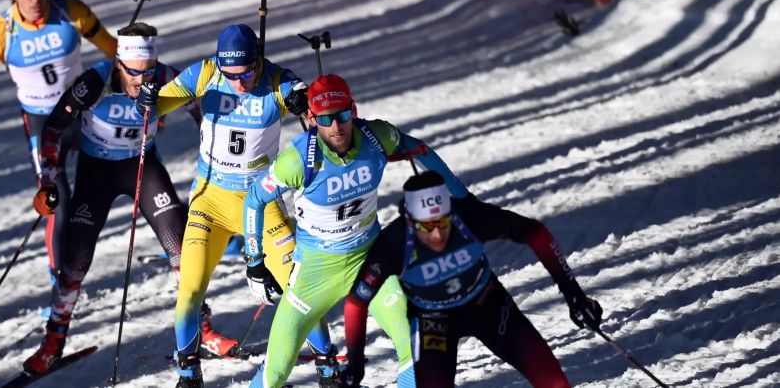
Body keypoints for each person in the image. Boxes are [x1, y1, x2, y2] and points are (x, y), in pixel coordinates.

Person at [21, 23, 236, 375]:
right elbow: (54, 127)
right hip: (97, 173)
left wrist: (218, 156)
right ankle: (53, 342)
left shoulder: (167, 77)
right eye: (135, 73)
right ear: (119, 64)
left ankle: (203, 330)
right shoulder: (94, 82)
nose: (142, 81)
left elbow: (206, 114)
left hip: (143, 166)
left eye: (148, 72)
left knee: (184, 251)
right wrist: (48, 181)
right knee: (75, 262)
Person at [241, 74, 472, 388]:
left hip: (371, 262)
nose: (336, 127)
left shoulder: (376, 137)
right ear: (311, 119)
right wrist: (255, 262)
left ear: (354, 109)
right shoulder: (297, 161)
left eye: (343, 115)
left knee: (417, 349)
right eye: (325, 119)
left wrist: (462, 197)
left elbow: (419, 149)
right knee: (277, 371)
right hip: (315, 274)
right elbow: (254, 200)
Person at [136, 23, 331, 388]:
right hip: (210, 201)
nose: (239, 82)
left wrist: (306, 104)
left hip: (261, 203)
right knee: (190, 289)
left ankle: (328, 367)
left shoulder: (277, 80)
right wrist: (146, 101)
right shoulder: (206, 73)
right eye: (232, 75)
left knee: (297, 285)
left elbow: (310, 103)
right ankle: (188, 374)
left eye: (246, 73)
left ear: (258, 60)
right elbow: (152, 108)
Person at [343, 170, 603, 388]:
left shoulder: (470, 216)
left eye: (443, 223)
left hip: (488, 305)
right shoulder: (393, 243)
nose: (436, 235)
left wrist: (575, 296)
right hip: (434, 323)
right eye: (425, 227)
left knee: (555, 383)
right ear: (410, 221)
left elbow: (536, 234)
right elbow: (356, 302)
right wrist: (355, 362)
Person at [0, 0, 117, 287]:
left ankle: (183, 232)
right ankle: (59, 281)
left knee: (131, 170)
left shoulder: (71, 11)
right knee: (56, 200)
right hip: (43, 126)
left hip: (84, 114)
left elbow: (114, 51)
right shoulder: (1, 31)